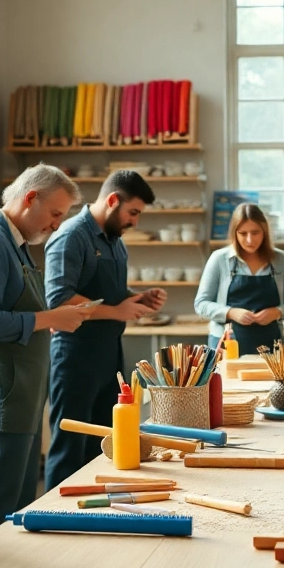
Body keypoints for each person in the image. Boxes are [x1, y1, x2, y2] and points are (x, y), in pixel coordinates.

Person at [0, 165, 94, 554]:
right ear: (30, 198)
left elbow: (11, 311)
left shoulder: (12, 242)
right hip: (4, 385)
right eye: (55, 213)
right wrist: (49, 319)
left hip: (19, 386)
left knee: (3, 490)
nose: (57, 225)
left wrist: (46, 322)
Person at [43, 170, 166, 488]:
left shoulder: (115, 240)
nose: (135, 222)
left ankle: (95, 509)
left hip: (109, 354)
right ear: (112, 200)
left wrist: (136, 298)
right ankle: (56, 514)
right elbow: (59, 299)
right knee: (70, 447)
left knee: (104, 446)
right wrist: (117, 311)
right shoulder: (71, 236)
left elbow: (106, 294)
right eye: (133, 212)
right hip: (74, 356)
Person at [195, 203, 284, 352]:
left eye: (255, 233)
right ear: (235, 233)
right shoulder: (219, 259)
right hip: (225, 346)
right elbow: (201, 304)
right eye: (243, 234)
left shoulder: (281, 260)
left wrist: (277, 312)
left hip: (271, 345)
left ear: (264, 231)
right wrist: (230, 313)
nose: (250, 240)